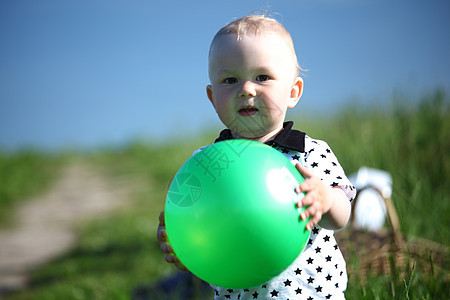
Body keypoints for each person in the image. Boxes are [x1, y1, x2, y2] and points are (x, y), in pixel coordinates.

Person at [157, 13, 356, 299]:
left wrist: (325, 199)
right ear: (213, 98)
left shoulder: (308, 152)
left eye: (262, 77)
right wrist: (178, 242)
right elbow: (190, 222)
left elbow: (342, 215)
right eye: (230, 80)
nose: (246, 89)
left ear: (293, 92)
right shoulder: (206, 166)